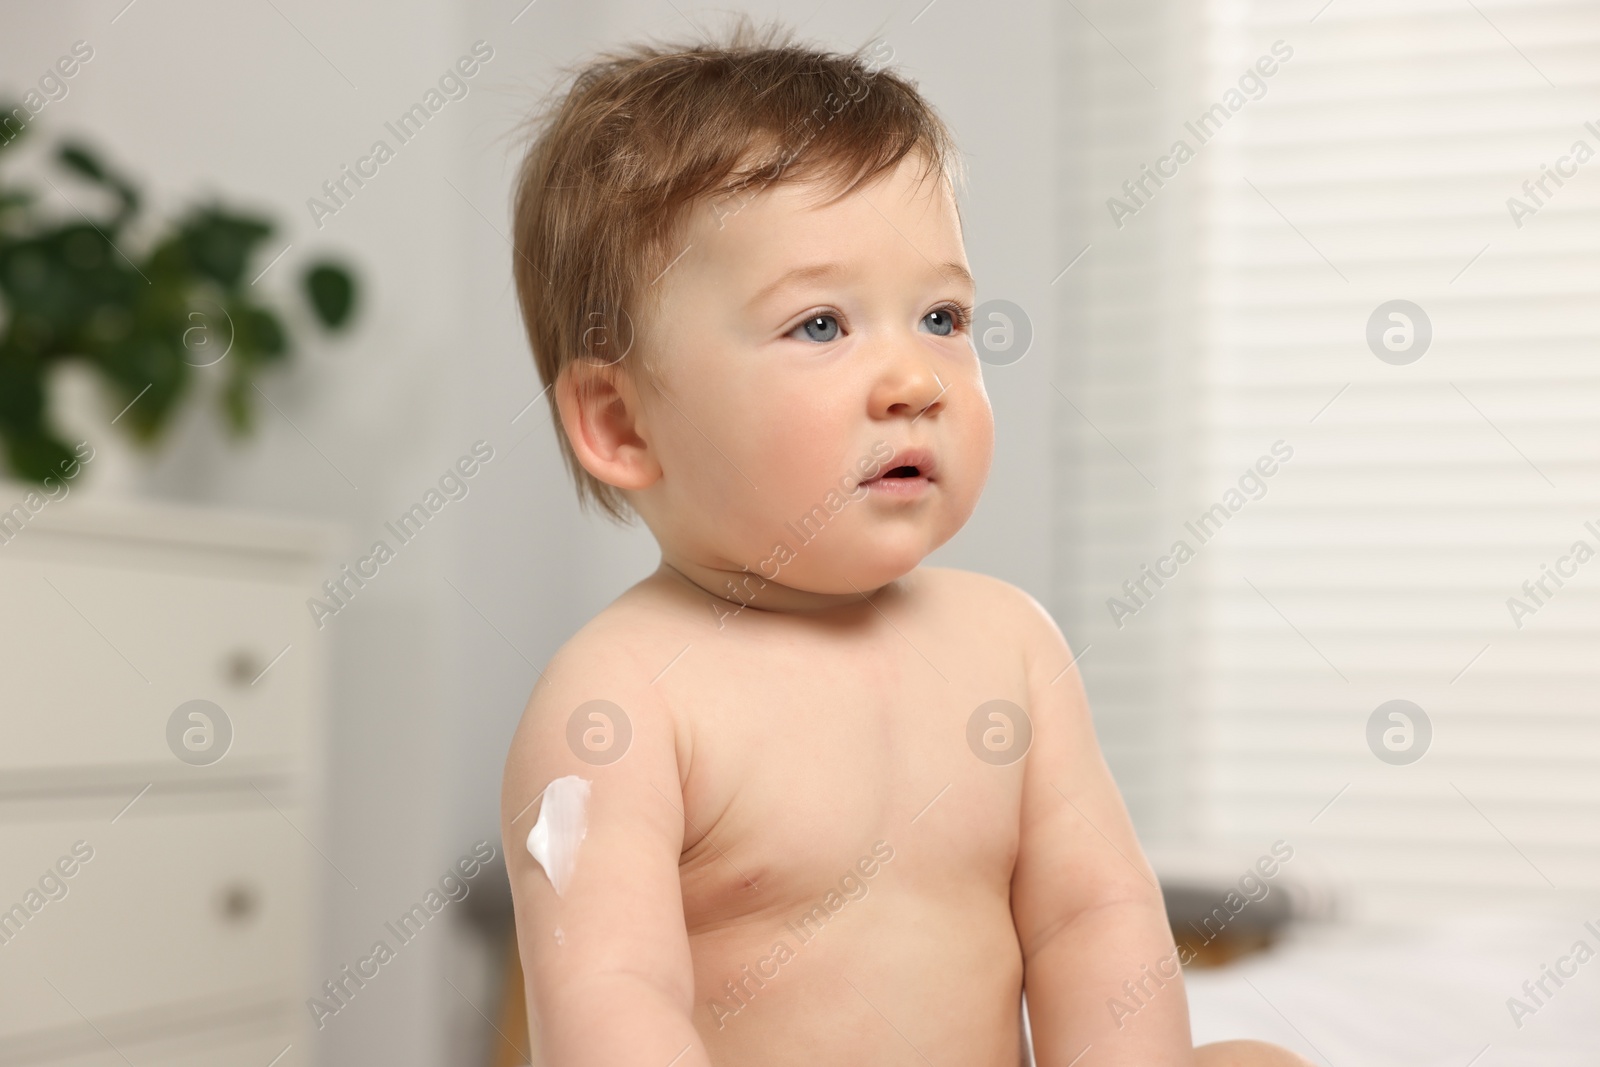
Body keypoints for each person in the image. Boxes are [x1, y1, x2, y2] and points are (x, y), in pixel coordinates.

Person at [499, 18, 1313, 1067]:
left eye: (940, 315)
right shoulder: (618, 700)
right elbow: (615, 999)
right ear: (621, 423)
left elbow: (1091, 917)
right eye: (822, 325)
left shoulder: (1008, 647)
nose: (918, 379)